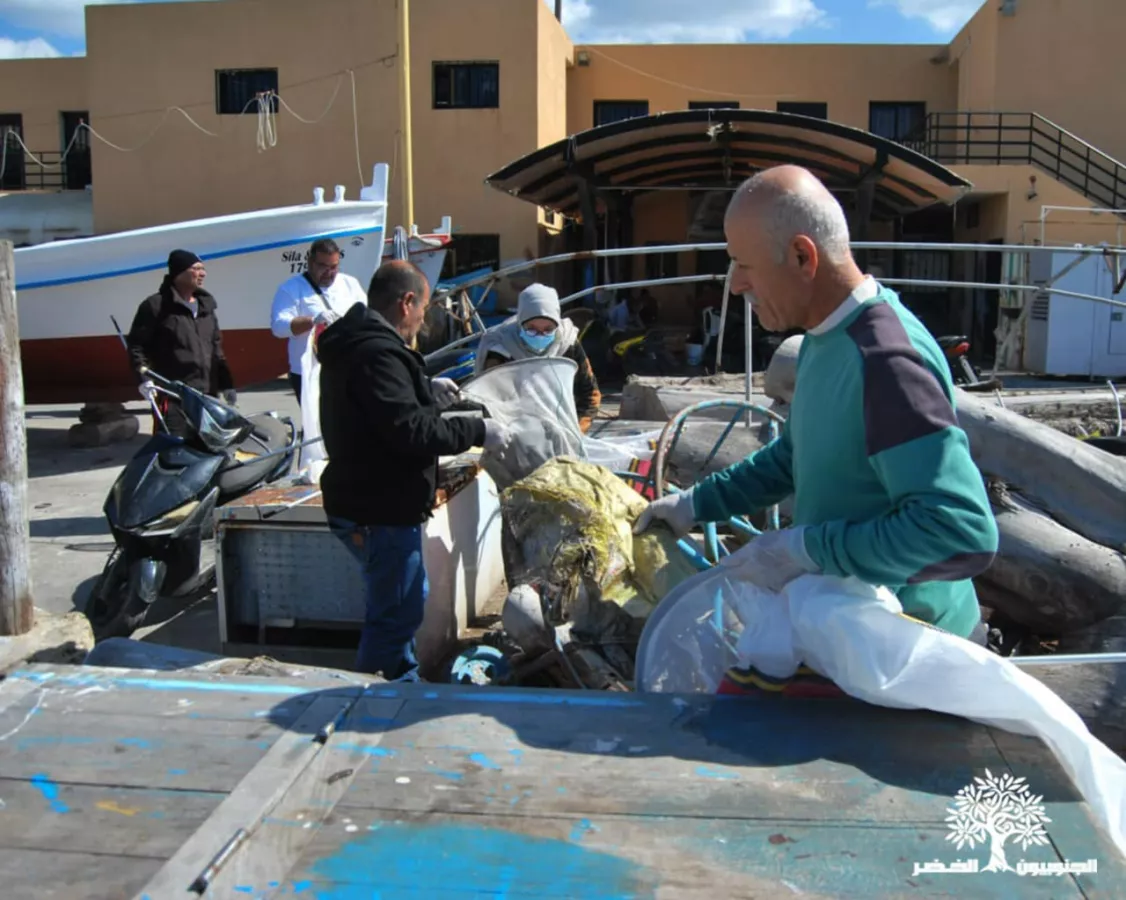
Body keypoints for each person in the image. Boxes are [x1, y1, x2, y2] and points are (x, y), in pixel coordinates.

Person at [635, 165, 999, 644]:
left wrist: (806, 549)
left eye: (743, 264)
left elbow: (958, 533)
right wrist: (696, 504)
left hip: (914, 647)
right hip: (853, 629)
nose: (735, 284)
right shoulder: (823, 337)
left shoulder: (884, 361)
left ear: (802, 257)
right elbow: (794, 455)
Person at [317, 259, 510, 681]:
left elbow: (381, 408)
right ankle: (378, 696)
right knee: (394, 614)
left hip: (366, 499)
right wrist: (478, 431)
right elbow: (410, 431)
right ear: (406, 302)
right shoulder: (377, 353)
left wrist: (423, 387)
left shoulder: (360, 343)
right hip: (379, 508)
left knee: (401, 601)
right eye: (424, 308)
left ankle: (400, 677)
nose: (424, 319)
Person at [127, 249, 236, 437]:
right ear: (179, 272)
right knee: (173, 445)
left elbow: (216, 350)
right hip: (172, 396)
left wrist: (227, 384)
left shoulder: (206, 308)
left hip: (206, 396)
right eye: (196, 268)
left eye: (203, 269)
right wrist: (144, 380)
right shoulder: (156, 306)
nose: (203, 273)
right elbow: (137, 346)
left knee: (207, 445)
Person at [474, 282, 602, 433]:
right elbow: (490, 400)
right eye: (531, 329)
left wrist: (575, 432)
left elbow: (590, 394)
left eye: (548, 330)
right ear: (520, 324)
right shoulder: (501, 347)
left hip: (561, 428)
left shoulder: (567, 343)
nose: (540, 336)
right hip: (512, 428)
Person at [269, 237, 367, 402]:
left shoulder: (350, 284)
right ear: (310, 263)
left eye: (333, 267)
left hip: (346, 368)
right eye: (322, 266)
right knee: (317, 419)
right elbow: (279, 327)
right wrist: (313, 321)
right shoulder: (291, 289)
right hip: (309, 373)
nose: (328, 272)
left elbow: (366, 317)